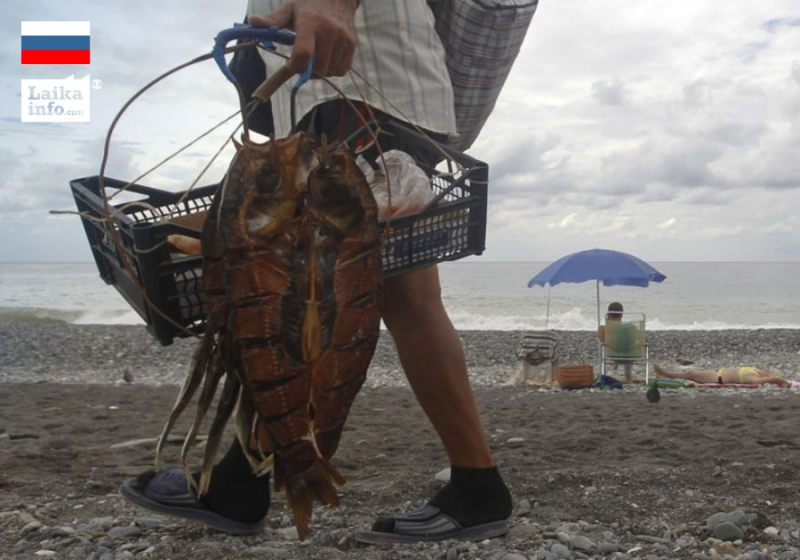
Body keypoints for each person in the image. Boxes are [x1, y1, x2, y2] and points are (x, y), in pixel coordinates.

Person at [120, 0, 534, 544]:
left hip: (362, 82)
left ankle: (478, 486)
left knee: (352, 291)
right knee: (302, 287)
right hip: (337, 86)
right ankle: (244, 481)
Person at [653, 364, 791, 387]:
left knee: (691, 374)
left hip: (717, 378)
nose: (768, 370)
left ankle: (667, 374)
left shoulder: (752, 377)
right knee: (691, 373)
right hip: (717, 372)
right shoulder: (755, 371)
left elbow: (758, 382)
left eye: (770, 372)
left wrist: (780, 380)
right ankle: (667, 374)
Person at [597, 302, 634, 383]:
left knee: (604, 343)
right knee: (628, 347)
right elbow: (645, 340)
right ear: (622, 313)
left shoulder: (603, 329)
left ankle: (607, 370)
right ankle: (628, 377)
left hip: (612, 355)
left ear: (608, 314)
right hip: (631, 356)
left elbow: (603, 341)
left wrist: (608, 324)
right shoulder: (631, 327)